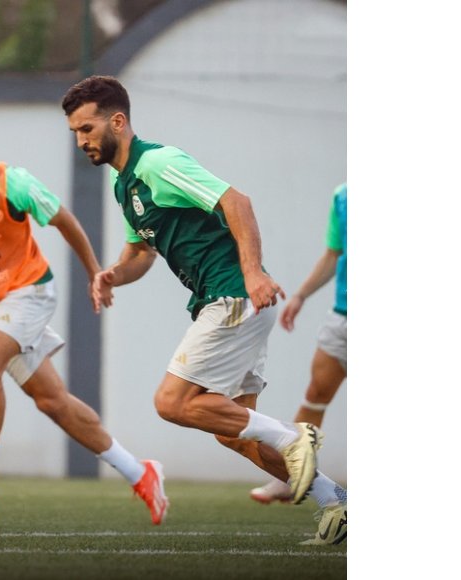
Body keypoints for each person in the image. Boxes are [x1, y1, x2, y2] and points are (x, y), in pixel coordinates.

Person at [61, 75, 346, 545]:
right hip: (229, 301)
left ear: (117, 121)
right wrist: (112, 273)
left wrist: (253, 273)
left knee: (171, 402)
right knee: (235, 434)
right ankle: (336, 501)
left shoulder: (157, 162)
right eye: (74, 132)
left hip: (233, 295)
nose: (81, 140)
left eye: (87, 129)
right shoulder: (124, 184)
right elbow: (141, 255)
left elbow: (236, 201)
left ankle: (295, 439)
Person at [0, 105, 169, 525]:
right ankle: (139, 472)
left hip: (31, 291)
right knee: (53, 402)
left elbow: (64, 220)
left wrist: (95, 274)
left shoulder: (11, 181)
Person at [250, 183, 347, 513]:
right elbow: (334, 254)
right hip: (343, 316)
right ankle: (289, 476)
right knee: (316, 392)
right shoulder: (343, 195)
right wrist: (301, 296)